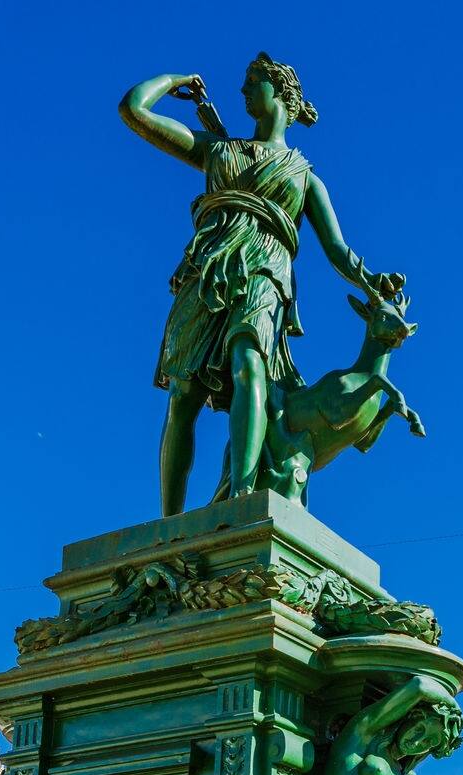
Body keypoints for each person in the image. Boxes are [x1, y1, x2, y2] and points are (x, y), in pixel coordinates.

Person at [120, 53, 401, 514]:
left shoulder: (304, 177)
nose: (244, 91)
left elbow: (338, 250)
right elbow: (134, 111)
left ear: (281, 93)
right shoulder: (219, 150)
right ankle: (168, 522)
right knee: (183, 394)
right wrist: (172, 79)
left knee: (250, 364)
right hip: (207, 270)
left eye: (253, 82)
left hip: (267, 269)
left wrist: (372, 279)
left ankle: (244, 495)